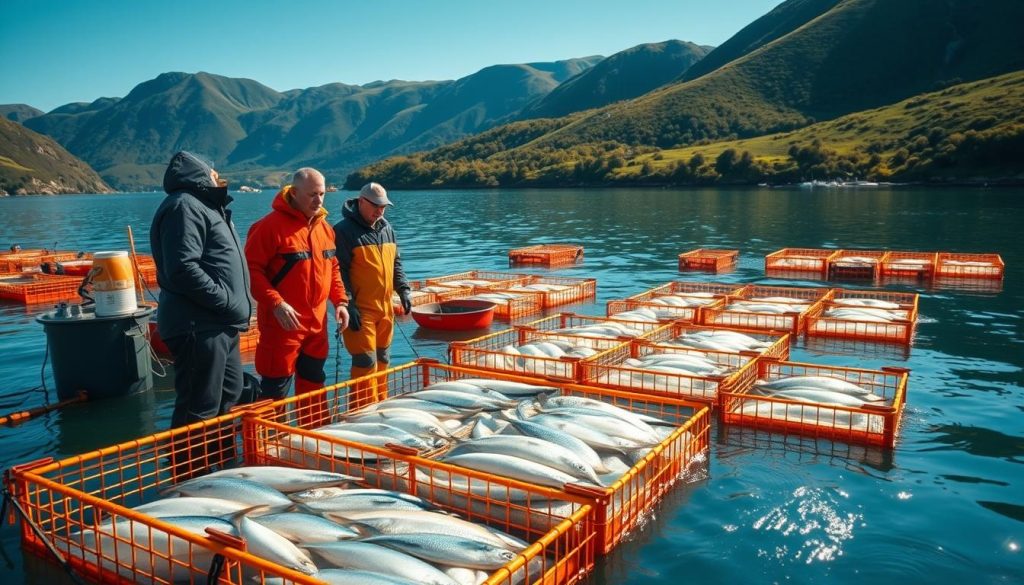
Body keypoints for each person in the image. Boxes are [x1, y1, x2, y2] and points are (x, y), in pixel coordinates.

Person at [150, 151, 252, 477]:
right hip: (199, 324)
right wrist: (225, 300)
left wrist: (235, 305)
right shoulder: (184, 206)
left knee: (229, 395)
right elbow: (182, 268)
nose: (218, 176)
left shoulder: (208, 206)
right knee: (199, 404)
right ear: (201, 173)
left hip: (221, 322)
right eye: (213, 172)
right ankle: (187, 480)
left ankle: (221, 471)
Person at [245, 168, 349, 422]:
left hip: (317, 324)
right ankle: (268, 443)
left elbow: (332, 268)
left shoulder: (325, 229)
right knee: (275, 388)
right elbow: (251, 271)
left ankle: (314, 436)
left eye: (322, 194)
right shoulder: (268, 227)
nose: (319, 200)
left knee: (313, 380)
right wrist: (276, 302)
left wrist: (341, 302)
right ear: (294, 193)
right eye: (312, 194)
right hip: (282, 324)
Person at [333, 182, 412, 406]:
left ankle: (381, 405)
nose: (380, 210)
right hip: (360, 310)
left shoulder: (387, 228)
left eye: (384, 206)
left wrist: (403, 289)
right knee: (365, 362)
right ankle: (362, 413)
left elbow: (396, 263)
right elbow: (338, 271)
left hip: (385, 308)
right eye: (375, 205)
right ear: (361, 202)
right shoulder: (343, 231)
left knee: (383, 359)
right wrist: (348, 303)